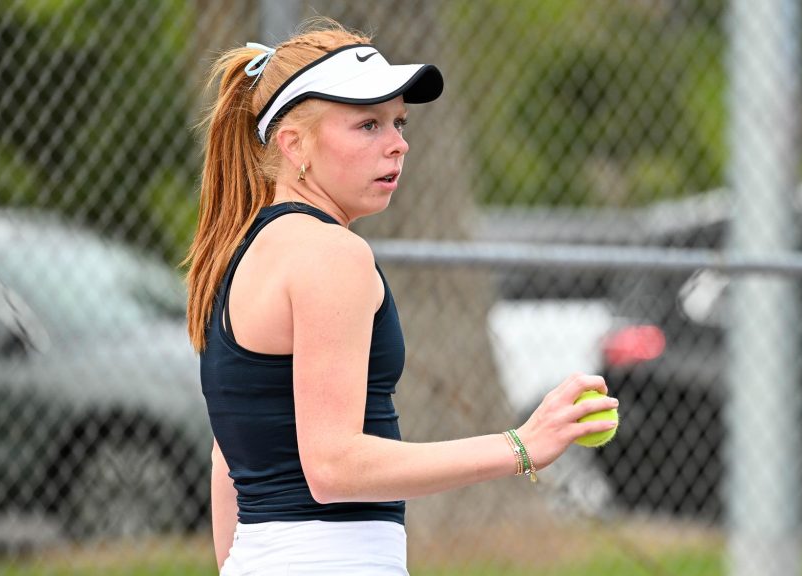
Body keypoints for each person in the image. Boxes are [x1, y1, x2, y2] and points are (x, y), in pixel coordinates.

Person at [183, 18, 618, 575]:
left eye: (398, 122)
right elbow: (333, 466)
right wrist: (522, 445)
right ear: (294, 145)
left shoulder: (243, 250)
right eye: (368, 125)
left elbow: (229, 458)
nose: (399, 144)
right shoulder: (330, 253)